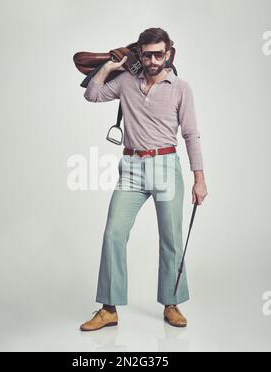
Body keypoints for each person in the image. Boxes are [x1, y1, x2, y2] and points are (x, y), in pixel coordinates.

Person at [79, 27, 208, 331]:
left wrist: (199, 179)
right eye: (147, 54)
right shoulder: (125, 81)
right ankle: (108, 309)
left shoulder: (180, 88)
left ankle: (171, 303)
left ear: (168, 54)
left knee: (171, 239)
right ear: (140, 53)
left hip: (166, 165)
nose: (152, 60)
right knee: (113, 234)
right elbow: (92, 94)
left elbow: (190, 134)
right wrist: (109, 67)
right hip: (132, 168)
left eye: (158, 54)